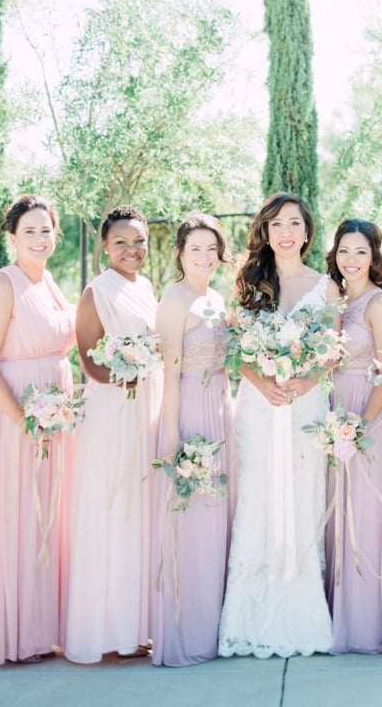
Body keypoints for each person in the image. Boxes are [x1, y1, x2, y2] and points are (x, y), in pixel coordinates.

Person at [218, 192, 340, 658]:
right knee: (258, 495)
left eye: (294, 223)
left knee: (302, 495)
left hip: (304, 404)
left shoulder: (326, 286)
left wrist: (305, 383)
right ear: (265, 232)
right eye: (277, 224)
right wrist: (260, 379)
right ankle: (248, 615)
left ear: (307, 232)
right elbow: (234, 347)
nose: (286, 232)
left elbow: (332, 348)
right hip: (258, 404)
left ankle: (300, 611)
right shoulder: (248, 283)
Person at [0, 195, 76, 664]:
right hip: (14, 418)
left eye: (46, 230)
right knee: (18, 514)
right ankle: (15, 632)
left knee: (49, 517)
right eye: (30, 231)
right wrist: (23, 420)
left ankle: (43, 626)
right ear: (12, 238)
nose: (40, 239)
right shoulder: (3, 285)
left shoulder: (50, 282)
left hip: (54, 416)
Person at [64, 206, 162, 663]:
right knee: (113, 505)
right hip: (112, 409)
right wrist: (123, 373)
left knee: (140, 509)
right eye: (121, 242)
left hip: (146, 405)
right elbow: (87, 358)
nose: (132, 250)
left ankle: (138, 624)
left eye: (138, 241)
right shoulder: (95, 291)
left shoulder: (145, 287)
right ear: (105, 245)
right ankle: (109, 627)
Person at [151, 213, 237, 666]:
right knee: (192, 521)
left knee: (218, 518)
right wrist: (171, 435)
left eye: (211, 249)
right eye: (195, 249)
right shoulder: (175, 298)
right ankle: (188, 632)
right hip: (187, 409)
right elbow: (168, 370)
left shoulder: (218, 298)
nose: (204, 256)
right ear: (181, 253)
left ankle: (216, 624)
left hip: (220, 407)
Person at [324, 218, 382, 654]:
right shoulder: (336, 300)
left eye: (361, 252)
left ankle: (365, 624)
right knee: (336, 513)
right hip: (334, 410)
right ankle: (338, 617)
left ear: (374, 257)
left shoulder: (377, 304)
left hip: (367, 414)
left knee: (364, 514)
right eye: (344, 251)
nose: (351, 260)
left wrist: (359, 426)